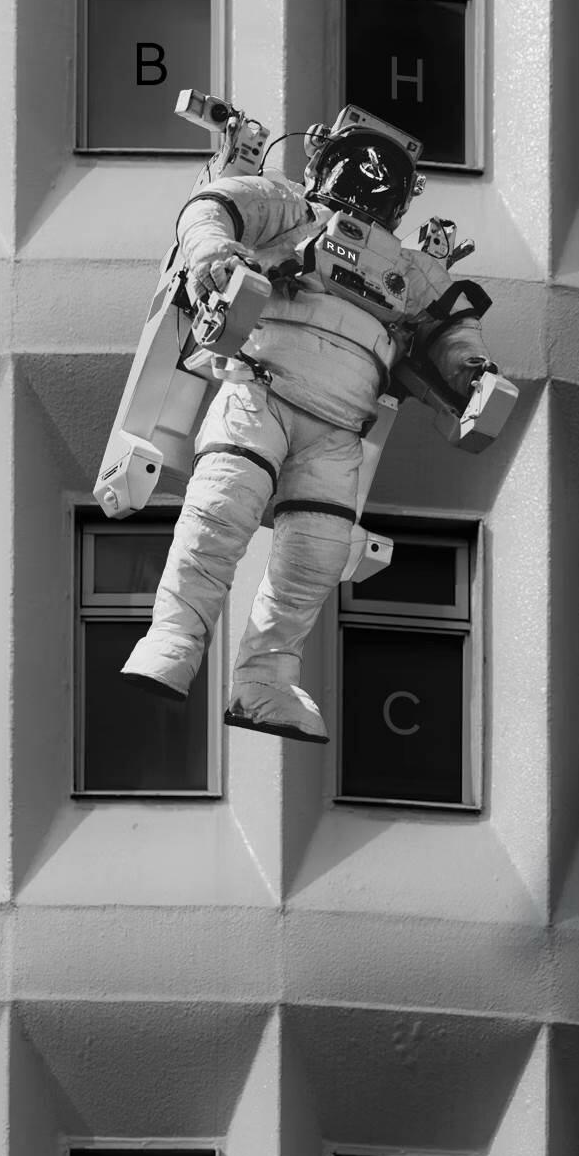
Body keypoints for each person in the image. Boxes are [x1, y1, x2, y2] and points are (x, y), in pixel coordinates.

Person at [119, 110, 508, 741]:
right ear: (326, 163)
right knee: (221, 511)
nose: (371, 178)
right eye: (360, 161)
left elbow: (451, 328)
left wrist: (473, 372)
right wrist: (213, 252)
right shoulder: (288, 207)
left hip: (341, 426)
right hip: (261, 384)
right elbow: (211, 208)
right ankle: (173, 640)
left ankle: (266, 681)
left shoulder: (413, 271)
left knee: (316, 556)